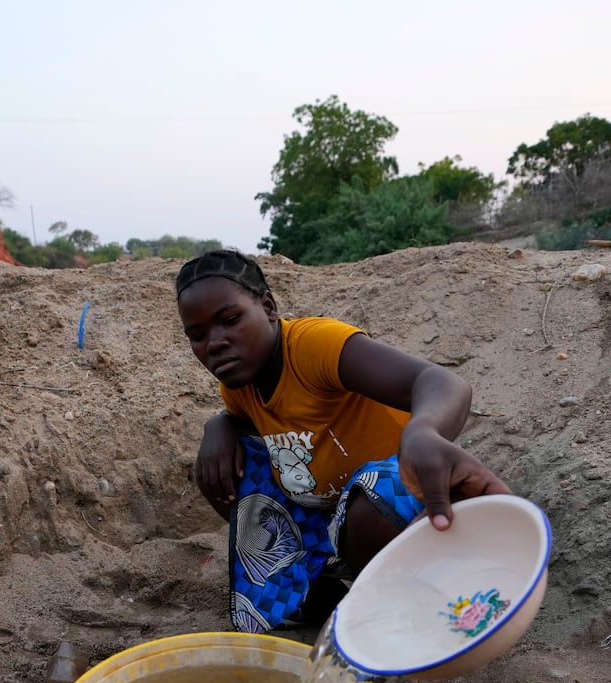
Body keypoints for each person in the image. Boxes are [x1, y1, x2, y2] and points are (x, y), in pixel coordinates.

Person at [175, 249, 511, 635]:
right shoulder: (240, 385)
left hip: (404, 504)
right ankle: (321, 595)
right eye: (197, 335)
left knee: (365, 508)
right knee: (219, 471)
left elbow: (441, 383)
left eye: (230, 320)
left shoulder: (313, 346)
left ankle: (398, 621)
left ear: (268, 306)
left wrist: (423, 432)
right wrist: (219, 426)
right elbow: (246, 424)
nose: (215, 343)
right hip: (331, 513)